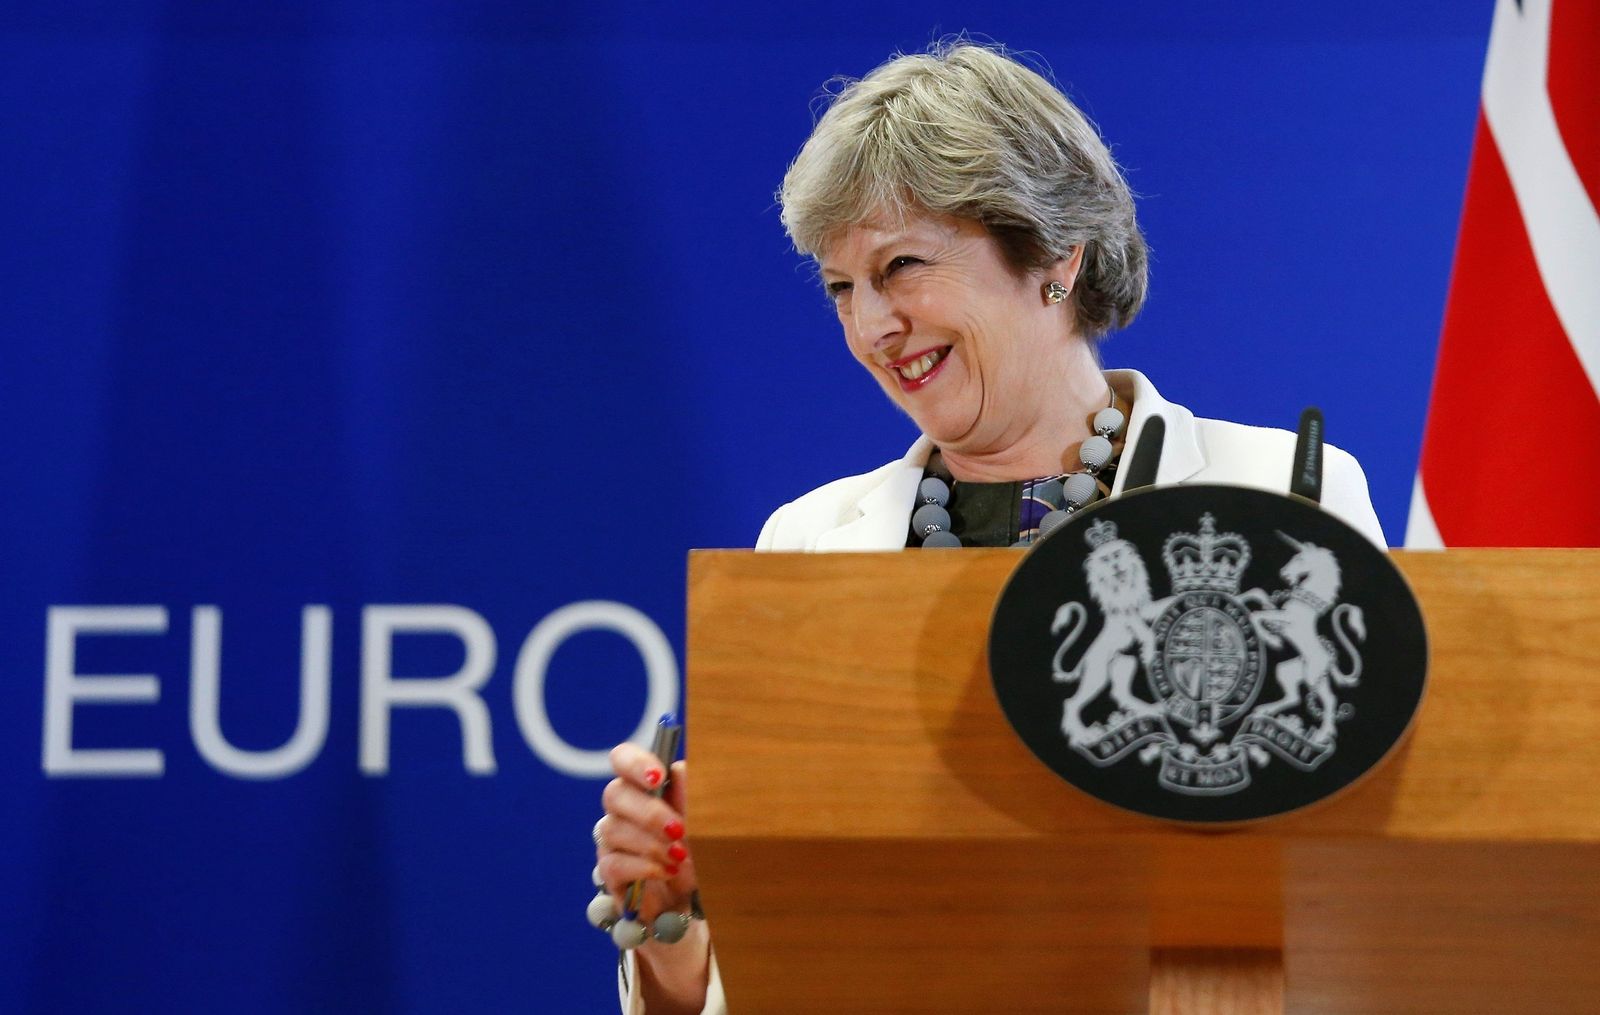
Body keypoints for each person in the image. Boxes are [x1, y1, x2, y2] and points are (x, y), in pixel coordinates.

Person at [592, 41, 1385, 1015]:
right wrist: (673, 924)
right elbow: (754, 983)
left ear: (1054, 255)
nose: (872, 325)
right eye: (842, 288)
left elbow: (1367, 887)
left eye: (901, 267)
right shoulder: (805, 543)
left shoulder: (1287, 497)